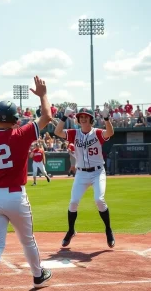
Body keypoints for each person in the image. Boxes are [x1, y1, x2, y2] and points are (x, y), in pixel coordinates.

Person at [0, 76, 52, 291]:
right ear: (16, 118)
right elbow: (47, 117)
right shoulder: (21, 133)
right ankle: (37, 276)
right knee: (27, 240)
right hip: (17, 196)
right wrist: (43, 95)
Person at [54, 103, 115, 248]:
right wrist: (64, 116)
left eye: (86, 117)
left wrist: (106, 118)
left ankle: (108, 230)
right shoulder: (75, 133)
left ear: (91, 119)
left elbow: (110, 132)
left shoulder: (98, 132)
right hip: (81, 173)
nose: (82, 119)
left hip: (97, 172)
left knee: (99, 200)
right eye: (80, 116)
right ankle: (70, 231)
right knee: (73, 202)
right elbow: (57, 131)